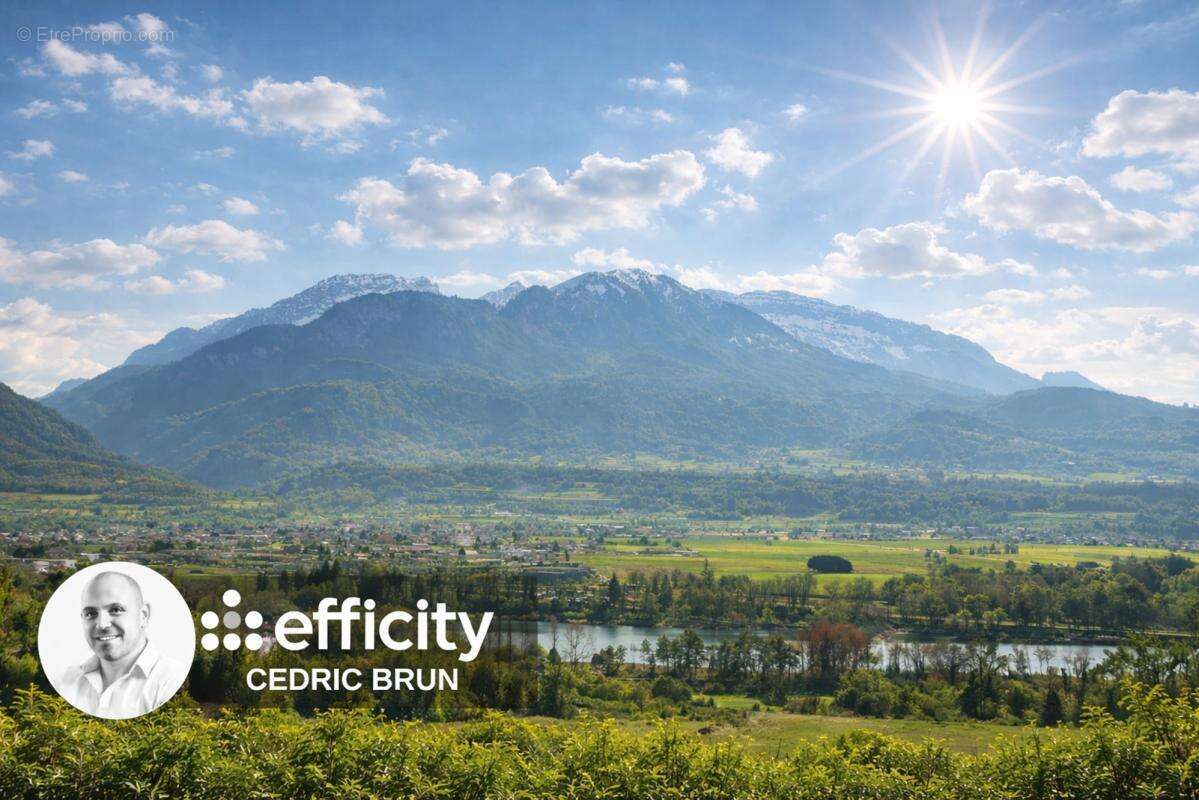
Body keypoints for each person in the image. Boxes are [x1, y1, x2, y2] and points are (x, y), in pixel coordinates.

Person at [58, 570, 187, 719]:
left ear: (143, 615)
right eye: (90, 613)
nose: (102, 624)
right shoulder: (65, 681)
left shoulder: (171, 682)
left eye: (116, 610)